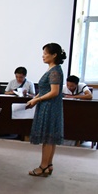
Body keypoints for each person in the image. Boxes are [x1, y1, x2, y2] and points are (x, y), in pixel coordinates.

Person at [25, 43, 65, 177]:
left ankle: (43, 166)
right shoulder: (53, 69)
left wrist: (37, 100)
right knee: (50, 138)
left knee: (48, 138)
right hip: (49, 105)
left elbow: (54, 92)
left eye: (45, 53)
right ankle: (48, 165)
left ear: (54, 55)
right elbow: (45, 90)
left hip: (49, 107)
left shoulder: (54, 71)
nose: (43, 56)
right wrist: (35, 98)